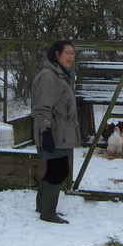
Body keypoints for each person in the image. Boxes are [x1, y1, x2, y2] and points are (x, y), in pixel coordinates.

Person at [31, 39, 82, 224]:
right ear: (57, 54)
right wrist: (45, 132)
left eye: (73, 53)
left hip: (60, 131)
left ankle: (43, 207)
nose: (71, 56)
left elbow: (60, 101)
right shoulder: (49, 76)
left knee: (53, 169)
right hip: (53, 131)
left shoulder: (59, 75)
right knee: (60, 170)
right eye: (68, 52)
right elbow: (42, 107)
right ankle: (48, 213)